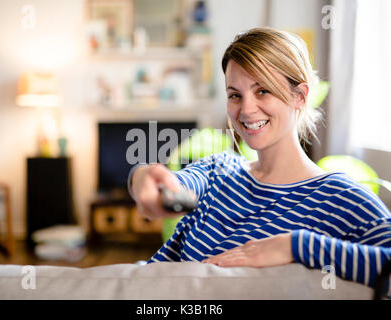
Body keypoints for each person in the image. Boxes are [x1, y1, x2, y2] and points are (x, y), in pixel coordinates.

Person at [128, 27, 391, 290]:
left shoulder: (341, 199)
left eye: (262, 90)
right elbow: (173, 184)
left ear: (300, 96)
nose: (246, 109)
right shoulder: (217, 170)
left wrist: (293, 246)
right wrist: (143, 178)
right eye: (235, 95)